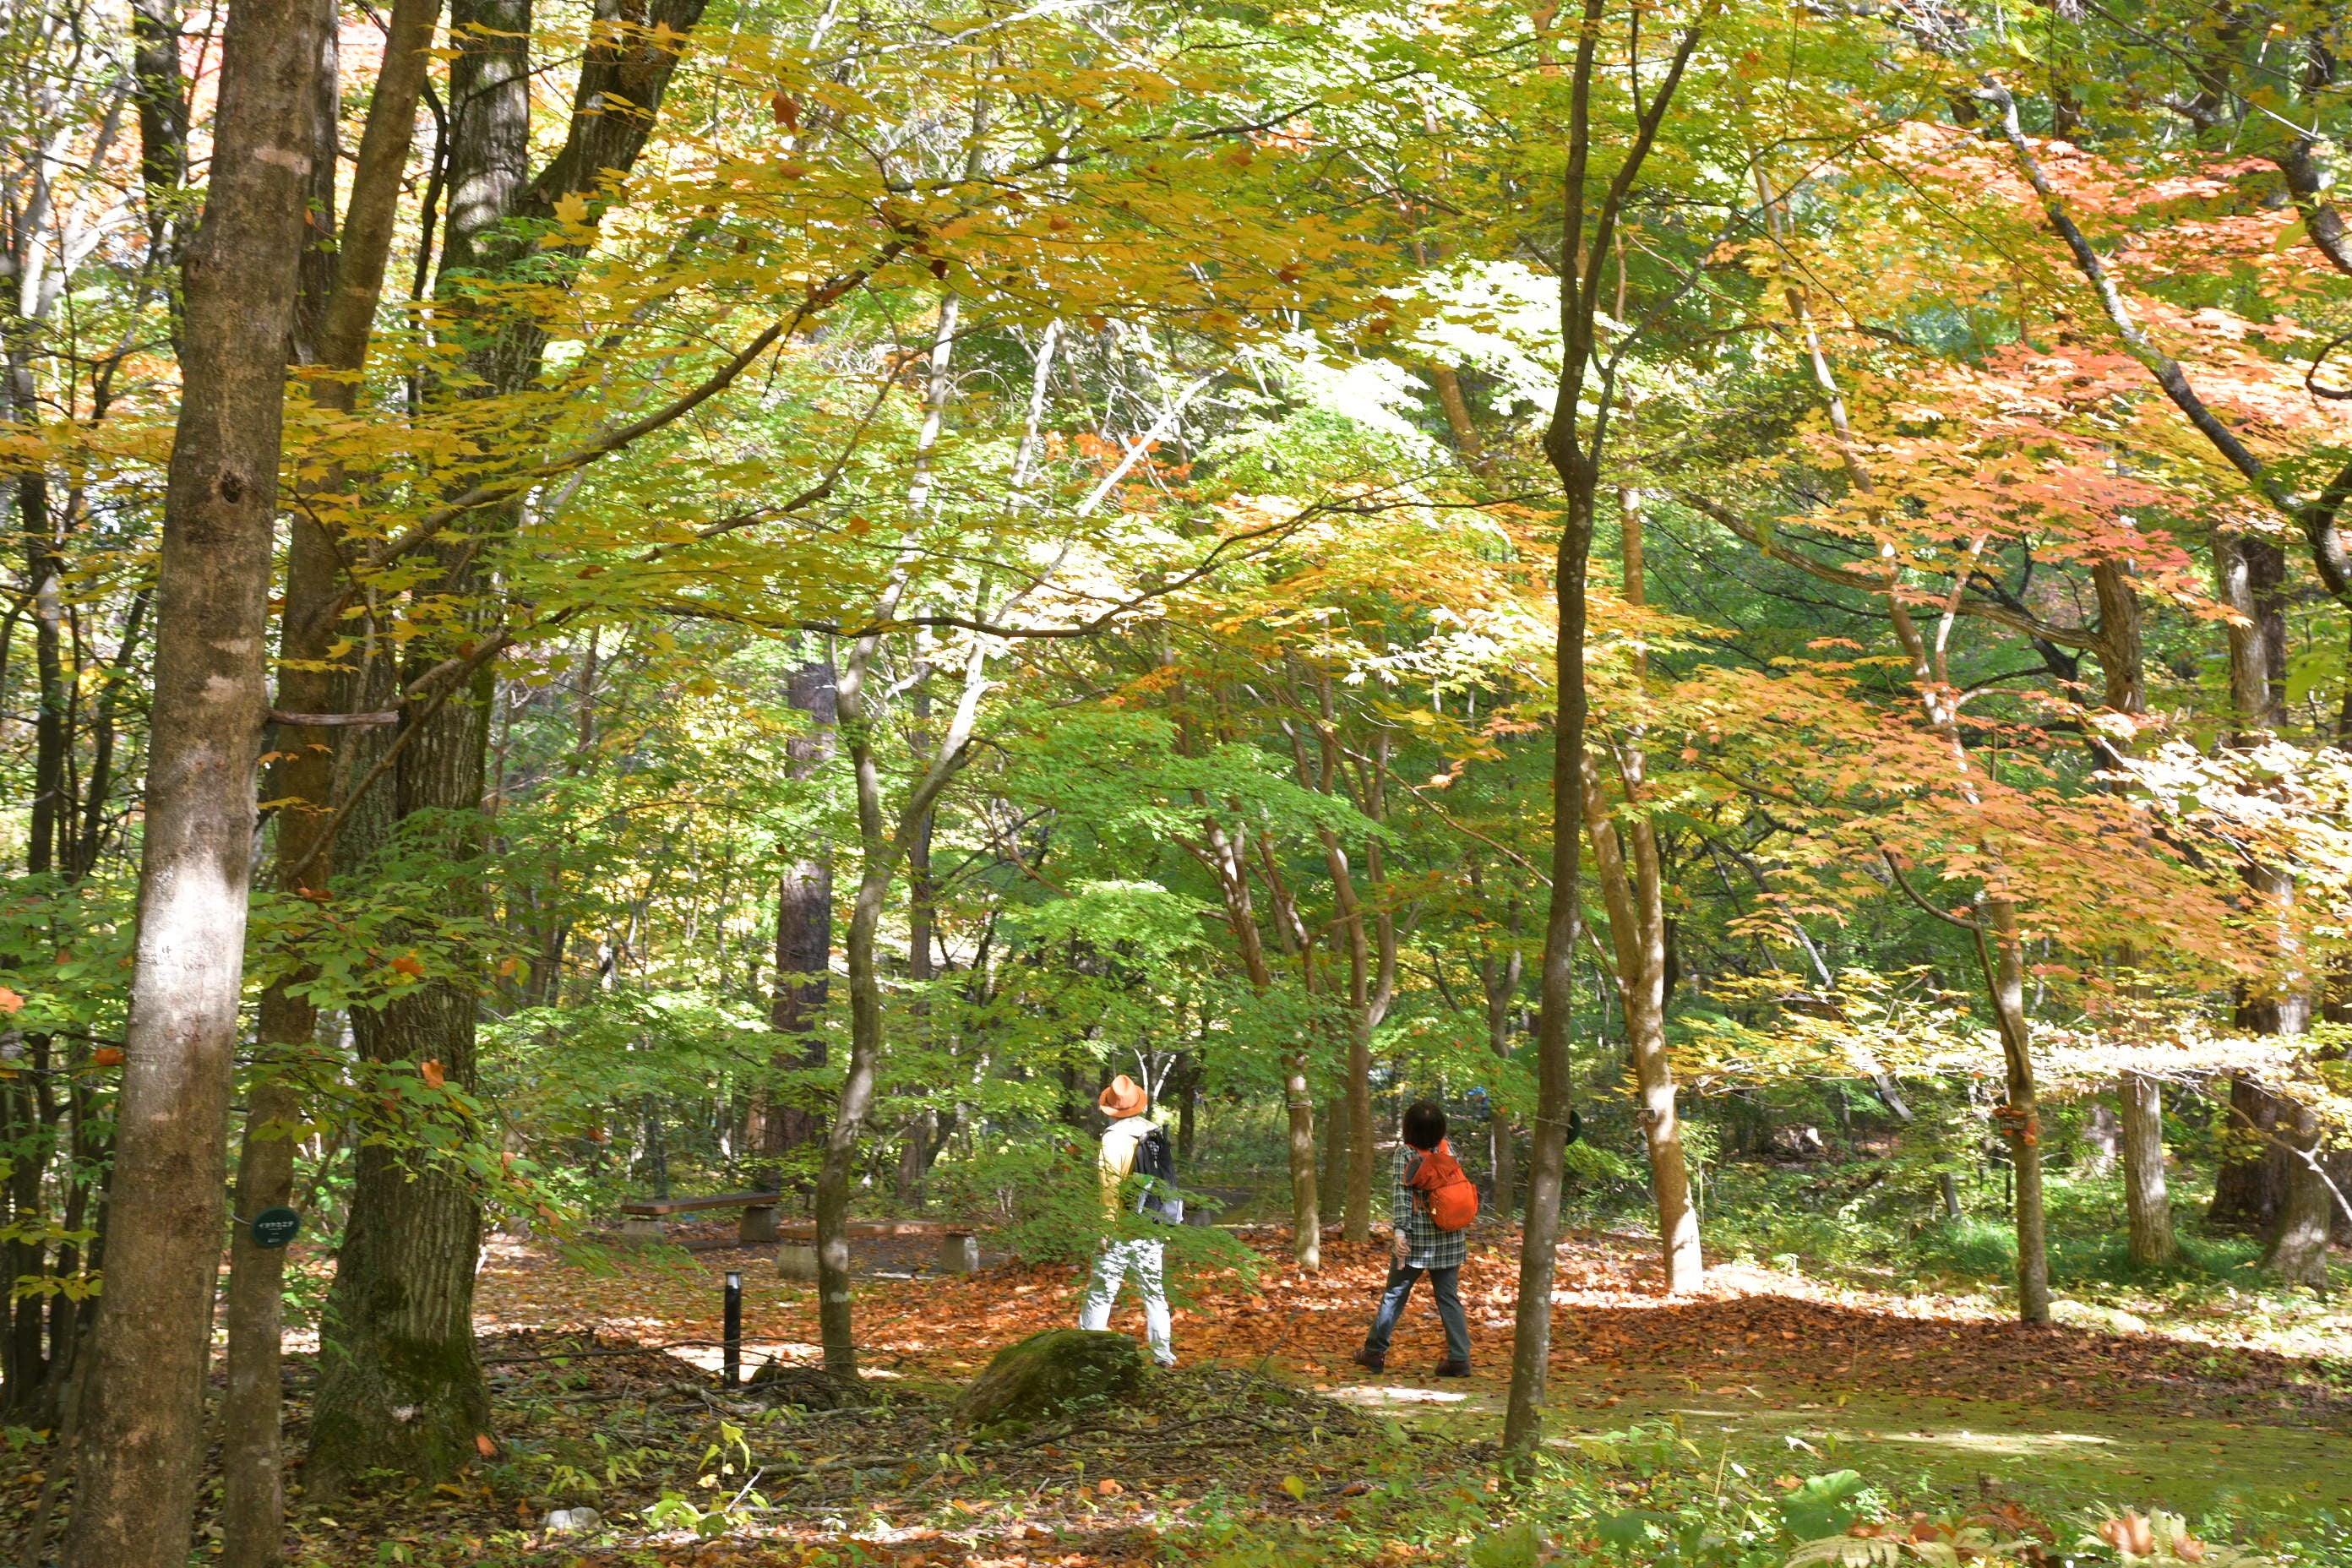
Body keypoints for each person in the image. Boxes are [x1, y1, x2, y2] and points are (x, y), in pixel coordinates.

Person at [1353, 1099, 1473, 1378]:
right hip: (1451, 1236)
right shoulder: (1447, 1148)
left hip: (1416, 1239)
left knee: (1395, 1294)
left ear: (1409, 1128)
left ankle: (1374, 1352)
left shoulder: (1405, 1154)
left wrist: (1400, 1233)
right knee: (1449, 1297)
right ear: (1440, 1127)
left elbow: (1402, 1195)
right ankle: (1459, 1358)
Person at [1076, 1074, 1177, 1366]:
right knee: (1154, 1294)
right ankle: (1163, 1354)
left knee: (1101, 1293)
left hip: (1121, 1228)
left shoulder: (1114, 1138)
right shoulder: (1154, 1132)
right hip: (1151, 1225)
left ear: (1110, 1108)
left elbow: (1109, 1188)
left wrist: (1105, 1230)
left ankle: (1089, 1353)